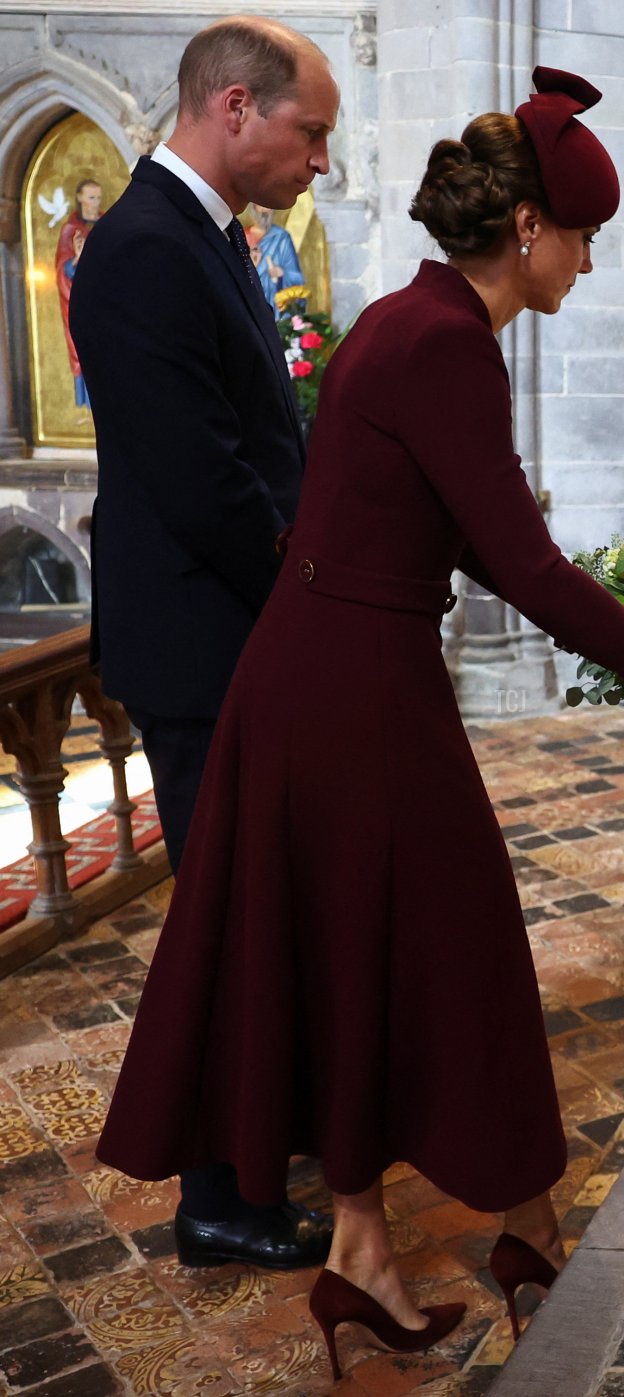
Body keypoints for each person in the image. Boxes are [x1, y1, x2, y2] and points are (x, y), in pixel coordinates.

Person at [93, 66, 624, 1380]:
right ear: (527, 233)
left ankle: (368, 1252)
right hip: (355, 690)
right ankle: (517, 1234)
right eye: (584, 237)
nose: (586, 261)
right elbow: (516, 556)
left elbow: (457, 533)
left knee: (366, 951)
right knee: (461, 951)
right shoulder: (447, 344)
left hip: (332, 671)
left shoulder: (408, 320)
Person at [69, 16, 340, 1272]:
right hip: (202, 646)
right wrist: (312, 592)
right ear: (236, 108)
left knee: (256, 908)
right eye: (310, 132)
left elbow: (256, 445)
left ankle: (258, 1141)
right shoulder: (137, 248)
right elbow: (201, 480)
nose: (318, 161)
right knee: (226, 921)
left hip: (235, 636)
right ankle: (218, 1196)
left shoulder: (210, 238)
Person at [55, 178, 103, 409]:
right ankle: (84, 405)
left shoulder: (107, 223)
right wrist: (76, 259)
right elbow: (62, 270)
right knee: (81, 348)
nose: (96, 202)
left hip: (105, 302)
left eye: (98, 198)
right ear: (81, 198)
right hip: (77, 302)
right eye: (92, 197)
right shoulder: (70, 230)